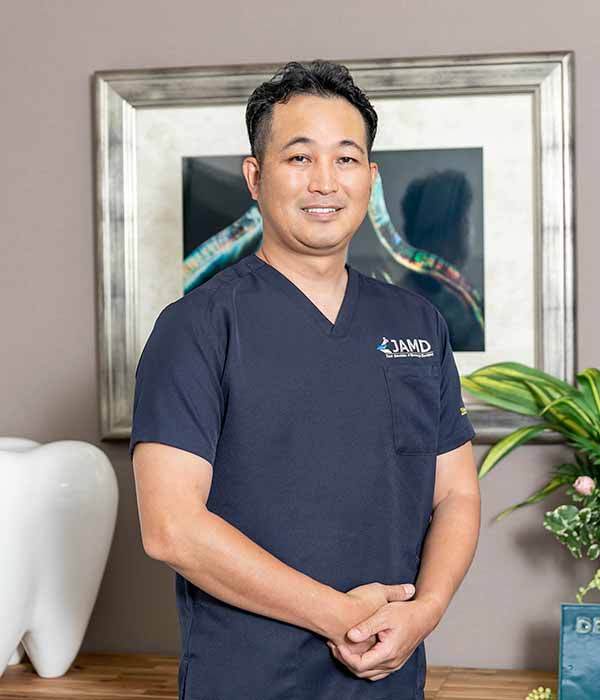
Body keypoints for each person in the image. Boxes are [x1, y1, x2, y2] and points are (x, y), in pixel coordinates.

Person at [130, 59, 481, 700]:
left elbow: (456, 493)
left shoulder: (418, 322)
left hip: (389, 677)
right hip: (249, 682)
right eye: (299, 158)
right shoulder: (197, 327)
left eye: (346, 159)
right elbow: (171, 527)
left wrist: (425, 611)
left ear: (370, 178)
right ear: (255, 177)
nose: (325, 181)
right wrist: (342, 617)